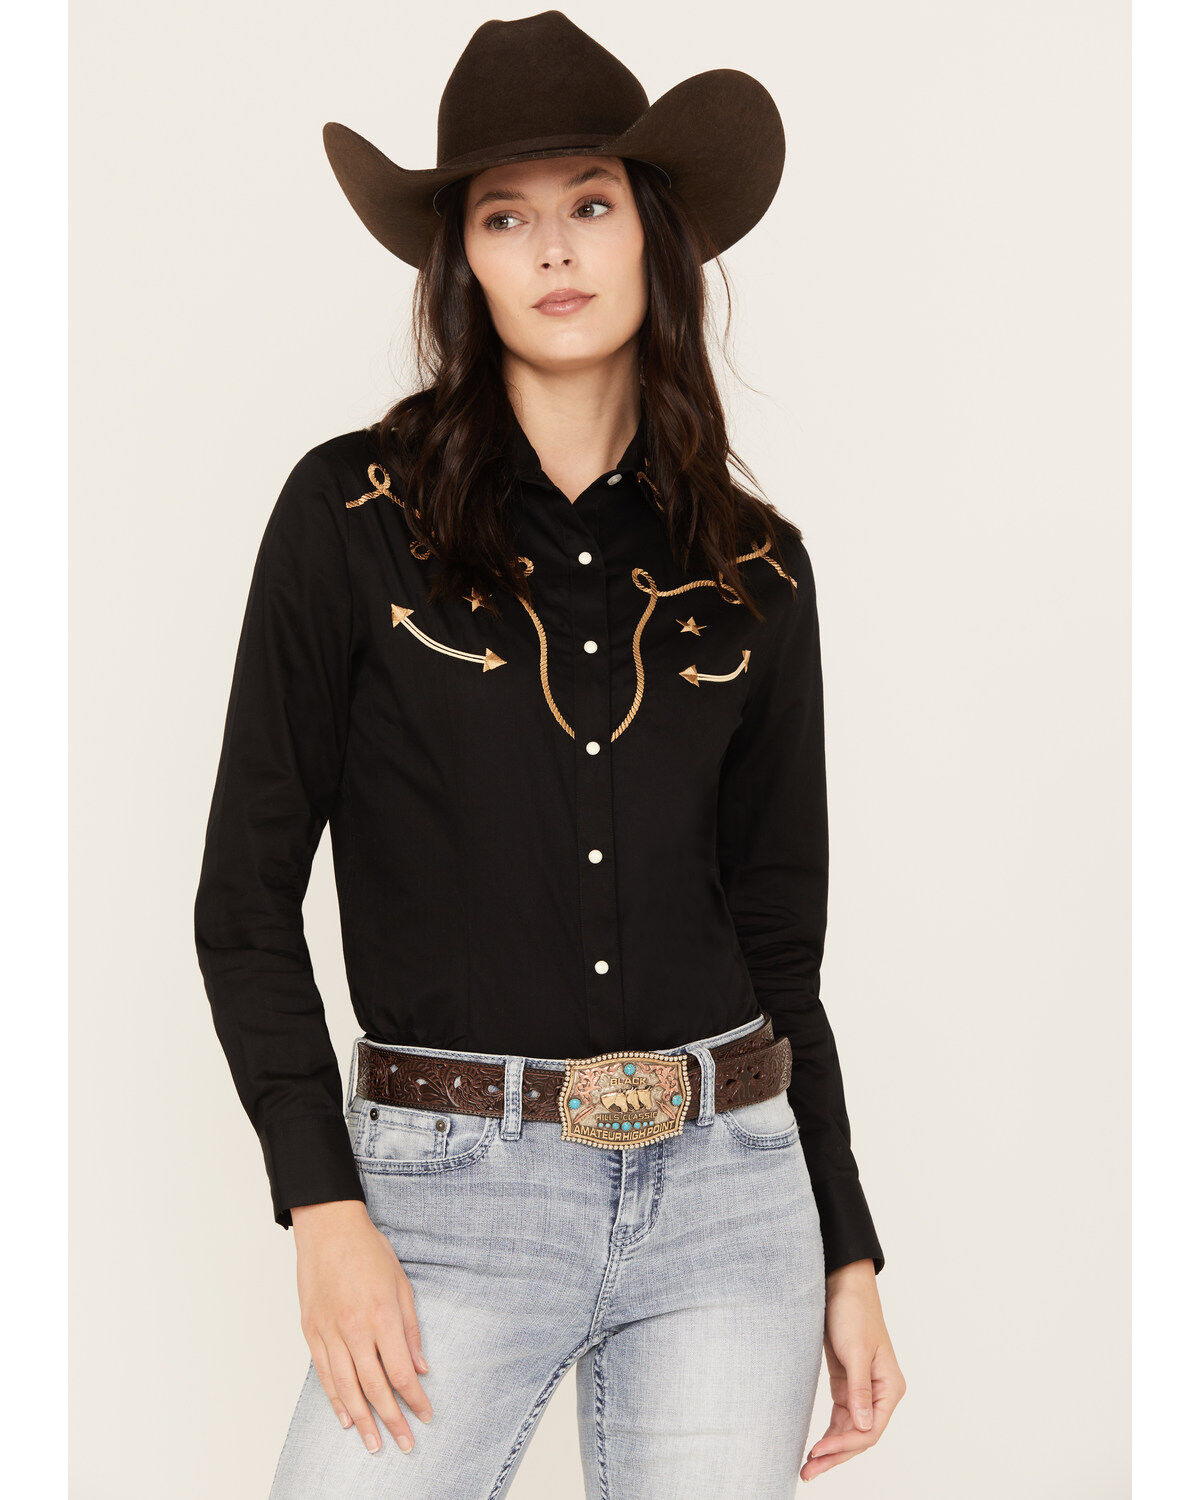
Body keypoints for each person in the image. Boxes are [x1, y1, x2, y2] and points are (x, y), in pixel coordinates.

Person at [193, 11, 905, 1497]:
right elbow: (244, 899)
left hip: (729, 1200)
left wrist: (848, 1249)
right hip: (445, 1199)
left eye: (591, 202)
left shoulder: (756, 569)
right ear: (464, 260)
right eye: (505, 217)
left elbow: (781, 945)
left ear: (655, 237)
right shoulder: (348, 517)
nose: (556, 249)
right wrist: (322, 1207)